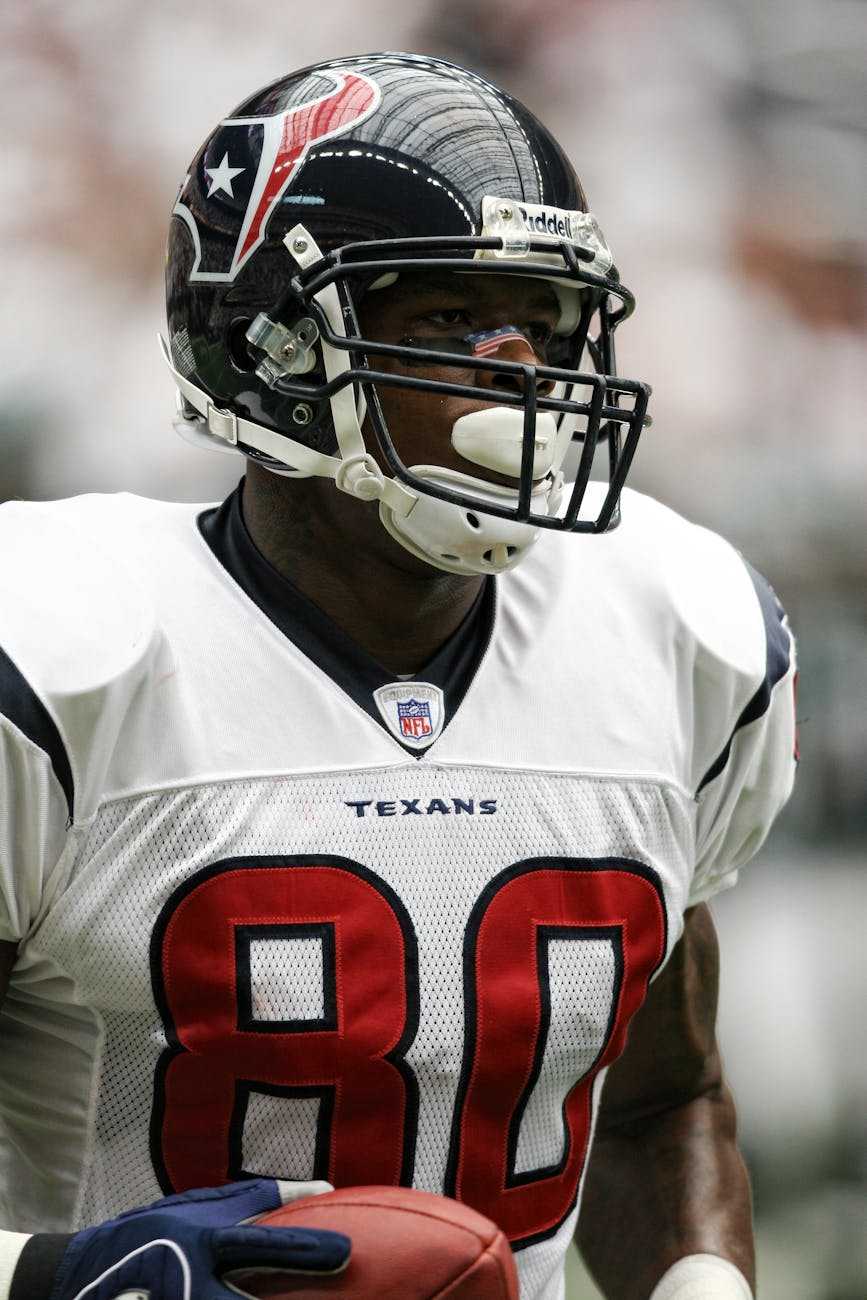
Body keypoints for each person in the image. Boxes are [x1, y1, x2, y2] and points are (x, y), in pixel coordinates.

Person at [0, 52, 796, 1300]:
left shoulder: (674, 631)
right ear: (264, 347)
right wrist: (56, 1274)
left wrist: (703, 1282)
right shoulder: (61, 659)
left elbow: (656, 1100)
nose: (523, 372)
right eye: (445, 320)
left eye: (546, 326)